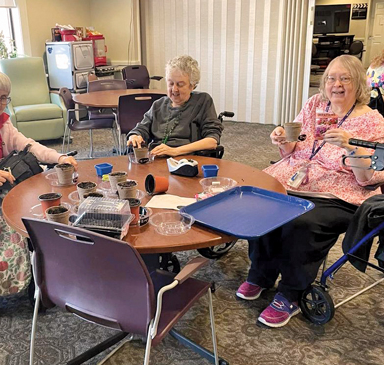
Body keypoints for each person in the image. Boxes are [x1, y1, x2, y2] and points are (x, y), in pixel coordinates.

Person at [236, 55, 384, 328]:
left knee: (300, 223)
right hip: (295, 178)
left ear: (358, 83)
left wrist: (351, 146)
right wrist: (282, 138)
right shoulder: (316, 104)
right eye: (330, 78)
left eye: (344, 78)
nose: (336, 84)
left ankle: (291, 293)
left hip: (339, 193)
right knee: (261, 203)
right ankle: (261, 274)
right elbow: (294, 145)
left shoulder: (373, 121)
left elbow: (369, 178)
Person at [126, 55, 223, 157]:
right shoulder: (158, 105)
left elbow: (212, 141)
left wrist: (175, 151)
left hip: (188, 160)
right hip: (157, 159)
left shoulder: (202, 102)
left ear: (192, 86)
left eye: (180, 84)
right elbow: (141, 128)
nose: (174, 89)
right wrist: (135, 136)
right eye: (171, 83)